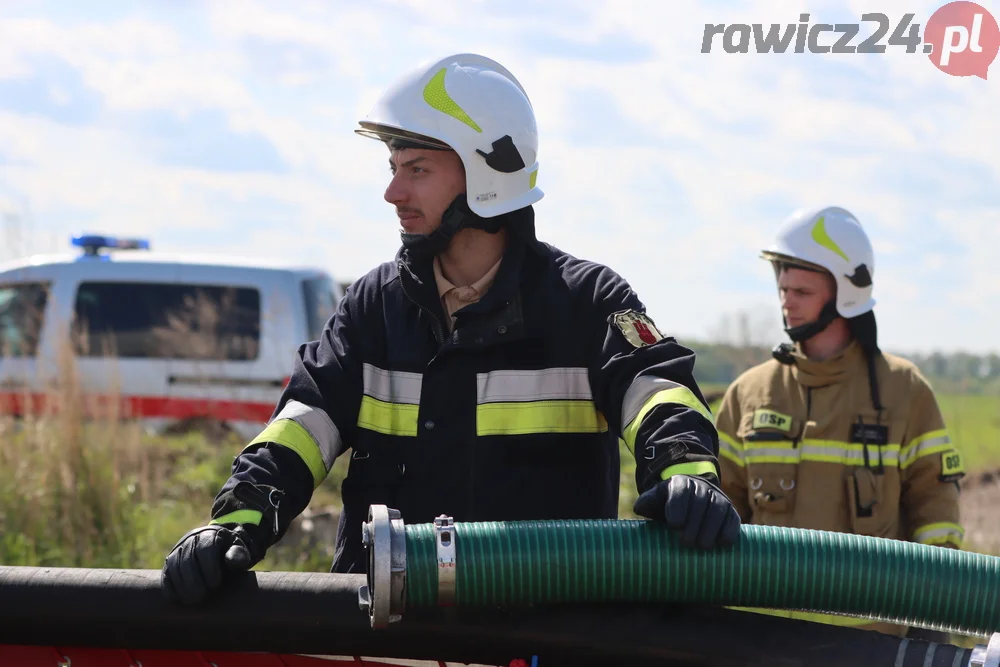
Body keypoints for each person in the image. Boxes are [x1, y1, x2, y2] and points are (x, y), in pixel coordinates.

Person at [161, 53, 741, 605]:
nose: (393, 193)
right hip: (390, 633)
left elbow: (657, 392)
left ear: (487, 177)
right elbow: (303, 425)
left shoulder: (587, 302)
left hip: (542, 630)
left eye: (416, 170)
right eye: (393, 168)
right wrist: (236, 523)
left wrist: (686, 474)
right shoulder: (372, 307)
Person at [714, 205, 965, 637]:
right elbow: (722, 504)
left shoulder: (904, 391)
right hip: (762, 638)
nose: (785, 302)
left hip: (870, 644)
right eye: (783, 288)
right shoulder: (748, 395)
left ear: (846, 295)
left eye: (801, 292)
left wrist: (933, 620)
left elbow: (935, 506)